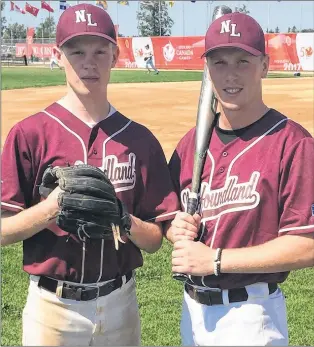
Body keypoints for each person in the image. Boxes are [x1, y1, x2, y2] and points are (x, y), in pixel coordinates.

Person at [1, 3, 179, 346]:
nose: (89, 61)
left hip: (120, 303)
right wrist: (53, 207)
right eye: (77, 50)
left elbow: (155, 239)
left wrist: (121, 219)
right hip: (52, 306)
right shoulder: (30, 133)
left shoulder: (139, 139)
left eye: (100, 51)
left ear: (115, 55)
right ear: (58, 55)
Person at [165, 12, 314, 346]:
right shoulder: (192, 143)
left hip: (251, 315)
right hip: (192, 313)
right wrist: (175, 228)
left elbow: (308, 244)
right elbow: (167, 216)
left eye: (242, 61)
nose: (230, 74)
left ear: (264, 65)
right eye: (218, 62)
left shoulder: (293, 143)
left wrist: (215, 261)